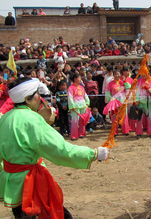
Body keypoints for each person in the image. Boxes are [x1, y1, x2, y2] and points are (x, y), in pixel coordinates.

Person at [0, 77, 109, 218]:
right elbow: (60, 150)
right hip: (31, 184)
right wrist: (93, 153)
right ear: (27, 99)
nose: (40, 98)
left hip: (12, 183)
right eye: (37, 94)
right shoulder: (32, 120)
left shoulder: (5, 119)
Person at [135, 65, 151, 138]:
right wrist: (137, 100)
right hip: (141, 101)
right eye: (142, 72)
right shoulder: (139, 80)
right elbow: (137, 91)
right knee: (139, 118)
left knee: (150, 117)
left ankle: (150, 132)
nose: (144, 74)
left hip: (150, 101)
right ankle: (139, 132)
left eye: (145, 72)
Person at [104, 71, 129, 135]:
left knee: (124, 116)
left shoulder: (123, 82)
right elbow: (107, 92)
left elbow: (127, 90)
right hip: (114, 102)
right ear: (113, 75)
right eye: (115, 74)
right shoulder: (110, 84)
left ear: (120, 75)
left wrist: (126, 97)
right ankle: (115, 132)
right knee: (114, 116)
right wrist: (110, 99)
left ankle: (125, 131)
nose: (117, 75)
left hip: (122, 101)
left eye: (118, 74)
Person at [68, 73, 90, 140]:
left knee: (82, 121)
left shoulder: (82, 87)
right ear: (75, 79)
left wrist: (87, 103)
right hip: (75, 106)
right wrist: (72, 106)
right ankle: (74, 135)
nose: (80, 79)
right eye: (79, 78)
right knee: (75, 121)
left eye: (80, 78)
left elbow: (85, 96)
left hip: (83, 105)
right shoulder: (71, 88)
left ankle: (81, 133)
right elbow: (70, 97)